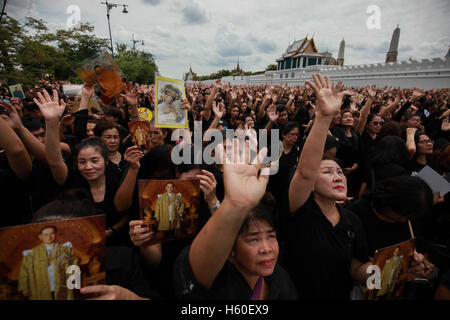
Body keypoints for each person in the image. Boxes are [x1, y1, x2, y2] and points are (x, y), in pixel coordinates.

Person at [283, 74, 372, 300]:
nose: (338, 177)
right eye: (327, 172)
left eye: (340, 172)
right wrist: (324, 117)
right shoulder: (301, 209)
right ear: (312, 184)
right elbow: (304, 172)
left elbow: (355, 267)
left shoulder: (352, 221)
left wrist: (380, 274)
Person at [173, 140, 298, 299]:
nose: (266, 248)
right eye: (253, 240)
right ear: (230, 249)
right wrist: (234, 205)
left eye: (271, 236)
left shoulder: (281, 280)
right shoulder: (218, 283)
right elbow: (193, 272)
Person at [18, 225, 79, 300]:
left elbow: (74, 261)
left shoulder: (65, 248)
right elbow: (24, 270)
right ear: (40, 237)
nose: (49, 237)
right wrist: (24, 287)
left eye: (52, 234)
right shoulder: (32, 253)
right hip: (41, 288)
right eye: (45, 234)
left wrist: (73, 278)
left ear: (56, 234)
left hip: (62, 285)